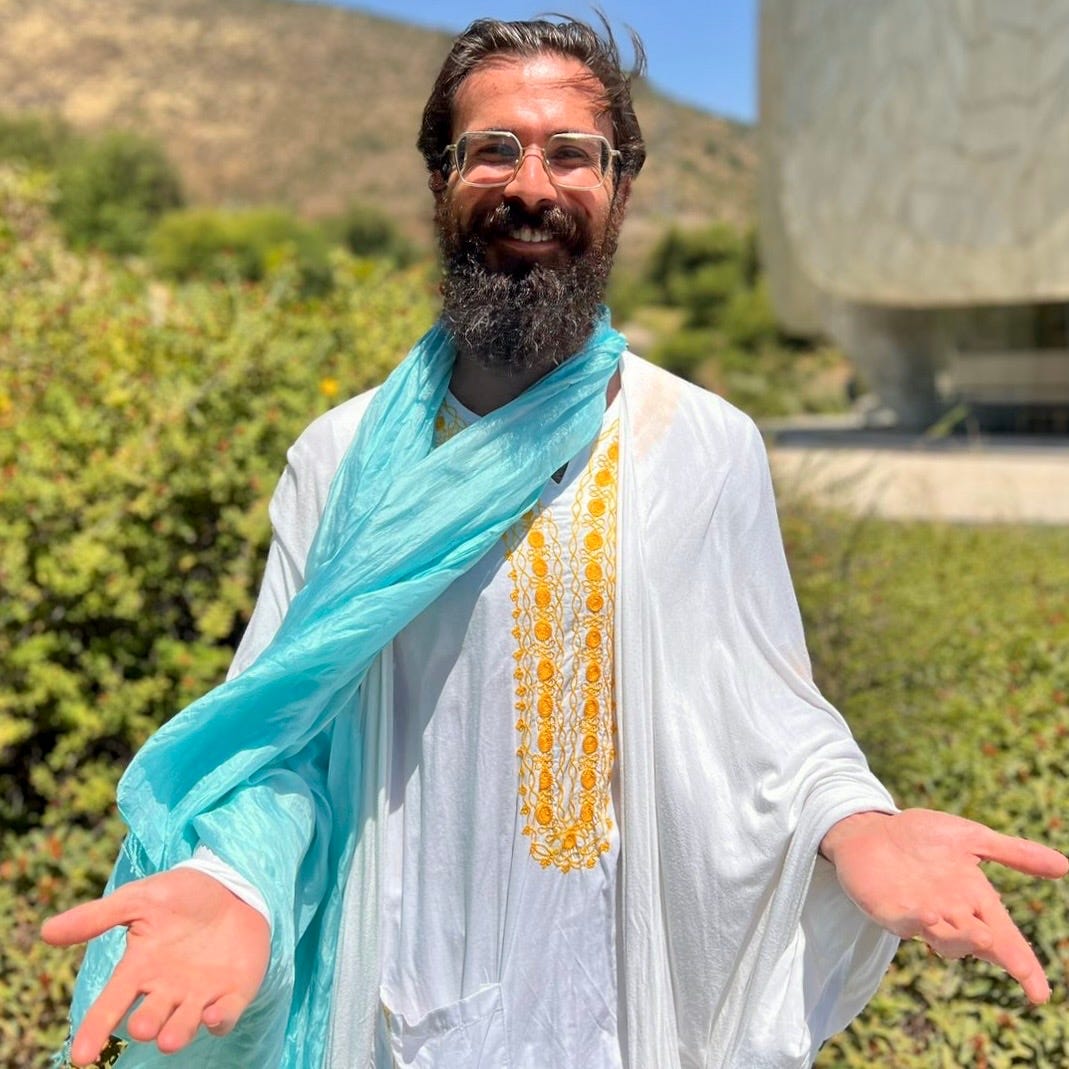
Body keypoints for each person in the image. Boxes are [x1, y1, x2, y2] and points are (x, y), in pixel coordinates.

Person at [43, 16, 1067, 1069]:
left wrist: (860, 825)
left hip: (616, 1008)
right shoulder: (340, 459)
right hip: (399, 1008)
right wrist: (235, 881)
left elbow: (770, 717)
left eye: (571, 154)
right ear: (440, 179)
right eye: (491, 149)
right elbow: (279, 734)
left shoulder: (703, 444)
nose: (530, 185)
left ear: (619, 187)